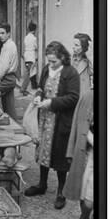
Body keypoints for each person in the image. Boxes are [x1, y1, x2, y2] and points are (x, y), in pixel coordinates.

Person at [24, 41, 80, 209]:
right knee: (42, 151)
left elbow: (73, 97)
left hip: (60, 120)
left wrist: (52, 102)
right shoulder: (47, 69)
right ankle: (42, 184)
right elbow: (41, 87)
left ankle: (61, 191)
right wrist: (38, 96)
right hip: (45, 119)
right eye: (49, 61)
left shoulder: (71, 73)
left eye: (54, 61)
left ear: (63, 57)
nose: (51, 64)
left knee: (60, 156)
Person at [63, 88, 94, 219]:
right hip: (91, 154)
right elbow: (78, 124)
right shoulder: (89, 97)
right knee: (88, 196)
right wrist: (71, 151)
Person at [0, 23, 19, 120]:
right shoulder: (9, 44)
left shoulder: (8, 46)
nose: (0, 35)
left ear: (9, 34)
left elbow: (4, 68)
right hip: (10, 78)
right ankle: (14, 125)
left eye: (3, 33)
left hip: (7, 78)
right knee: (9, 107)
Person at [20, 22, 38, 95]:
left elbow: (24, 46)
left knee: (29, 72)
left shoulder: (26, 37)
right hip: (31, 56)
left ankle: (33, 86)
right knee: (29, 73)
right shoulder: (34, 38)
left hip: (26, 56)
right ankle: (23, 89)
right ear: (34, 30)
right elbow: (35, 47)